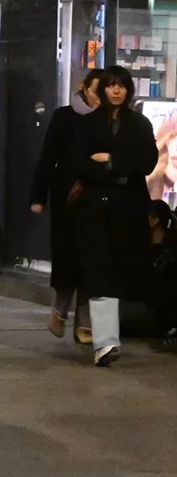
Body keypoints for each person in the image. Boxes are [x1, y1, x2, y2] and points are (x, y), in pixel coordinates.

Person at [60, 65, 157, 367]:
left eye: (122, 86)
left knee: (120, 273)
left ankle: (110, 335)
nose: (116, 90)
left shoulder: (139, 124)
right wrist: (111, 171)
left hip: (128, 211)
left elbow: (147, 161)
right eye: (111, 85)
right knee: (98, 272)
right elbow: (77, 163)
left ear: (129, 90)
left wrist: (111, 162)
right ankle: (105, 342)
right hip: (94, 210)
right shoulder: (88, 124)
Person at [30, 70, 103, 343]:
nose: (102, 96)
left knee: (91, 261)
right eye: (97, 90)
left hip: (96, 198)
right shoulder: (64, 116)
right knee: (66, 256)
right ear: (84, 88)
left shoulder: (107, 119)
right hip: (67, 198)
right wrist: (38, 196)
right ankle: (59, 311)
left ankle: (84, 320)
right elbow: (48, 156)